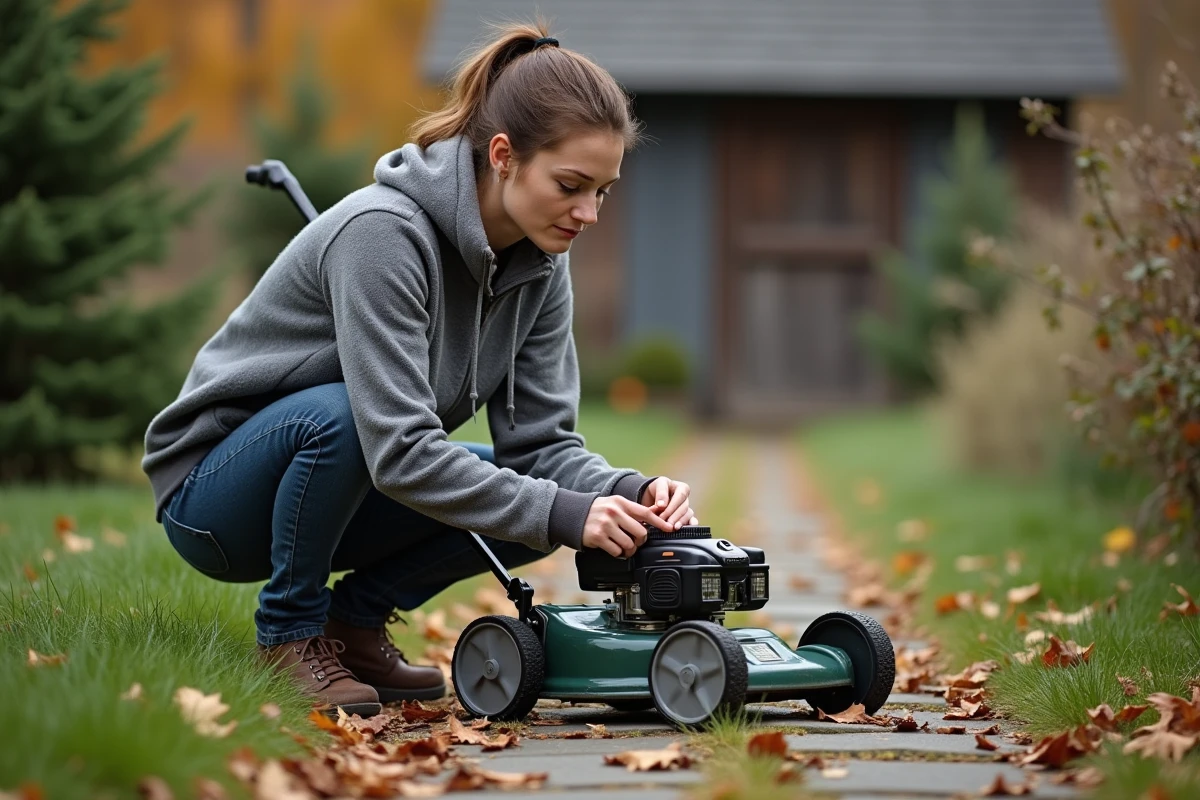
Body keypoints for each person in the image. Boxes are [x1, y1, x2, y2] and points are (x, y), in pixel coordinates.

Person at [141, 22, 699, 719]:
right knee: (345, 416)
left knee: (532, 500)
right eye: (570, 185)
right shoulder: (382, 236)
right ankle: (288, 633)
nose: (587, 212)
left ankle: (355, 624)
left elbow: (542, 448)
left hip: (343, 479)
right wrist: (563, 508)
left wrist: (629, 493)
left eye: (604, 192)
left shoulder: (541, 267)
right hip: (215, 500)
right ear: (503, 156)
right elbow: (399, 449)